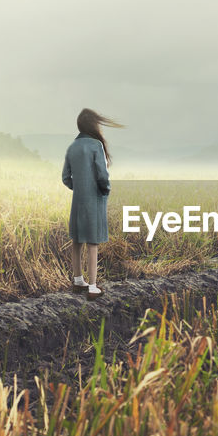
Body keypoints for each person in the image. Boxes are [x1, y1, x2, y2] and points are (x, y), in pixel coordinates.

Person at [62, 108, 122, 296]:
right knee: (93, 243)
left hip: (78, 200)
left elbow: (65, 177)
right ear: (93, 125)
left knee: (77, 241)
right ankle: (93, 286)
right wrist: (105, 189)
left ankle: (78, 281)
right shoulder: (96, 145)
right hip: (94, 199)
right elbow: (102, 174)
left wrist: (79, 187)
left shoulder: (72, 147)